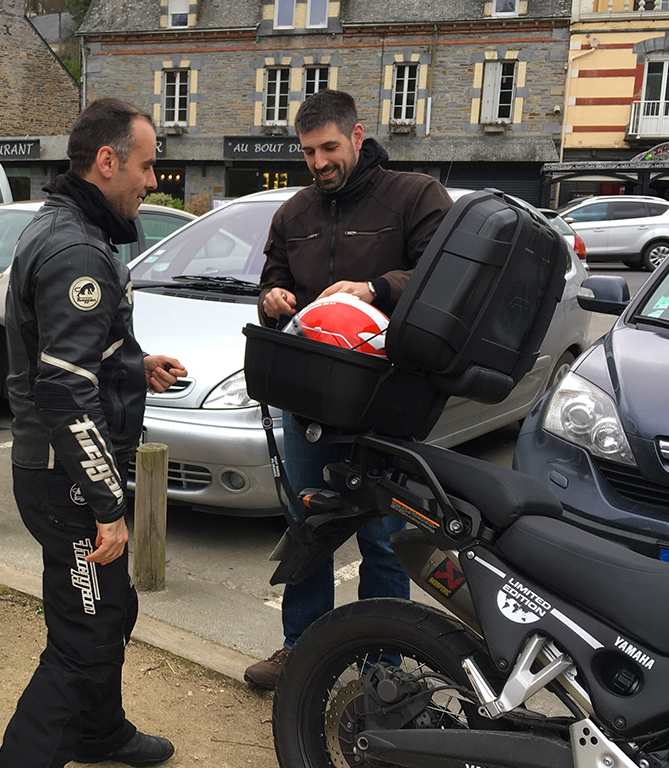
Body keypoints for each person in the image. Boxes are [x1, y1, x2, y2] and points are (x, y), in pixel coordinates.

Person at [0, 98, 185, 768]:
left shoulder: (67, 225)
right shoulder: (76, 247)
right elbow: (64, 392)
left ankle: (100, 735)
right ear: (108, 161)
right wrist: (106, 506)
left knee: (109, 611)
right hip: (65, 480)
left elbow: (75, 356)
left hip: (64, 469)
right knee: (87, 635)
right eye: (148, 163)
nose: (153, 179)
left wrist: (135, 365)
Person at [246, 90, 453, 690]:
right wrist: (272, 299)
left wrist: (375, 288)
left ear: (358, 137)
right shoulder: (294, 214)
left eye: (329, 148)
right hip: (309, 396)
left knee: (382, 537)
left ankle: (380, 668)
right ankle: (299, 650)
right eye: (308, 152)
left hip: (386, 399)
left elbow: (442, 276)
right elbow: (272, 281)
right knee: (308, 527)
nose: (318, 163)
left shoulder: (414, 196)